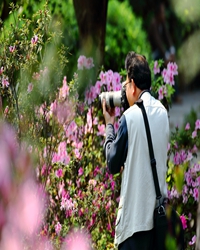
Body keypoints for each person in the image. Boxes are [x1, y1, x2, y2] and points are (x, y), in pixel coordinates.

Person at [102, 51, 170, 250]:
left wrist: (109, 124)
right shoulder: (162, 113)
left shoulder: (129, 118)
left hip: (135, 226)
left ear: (132, 85)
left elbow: (112, 163)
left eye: (125, 83)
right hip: (157, 224)